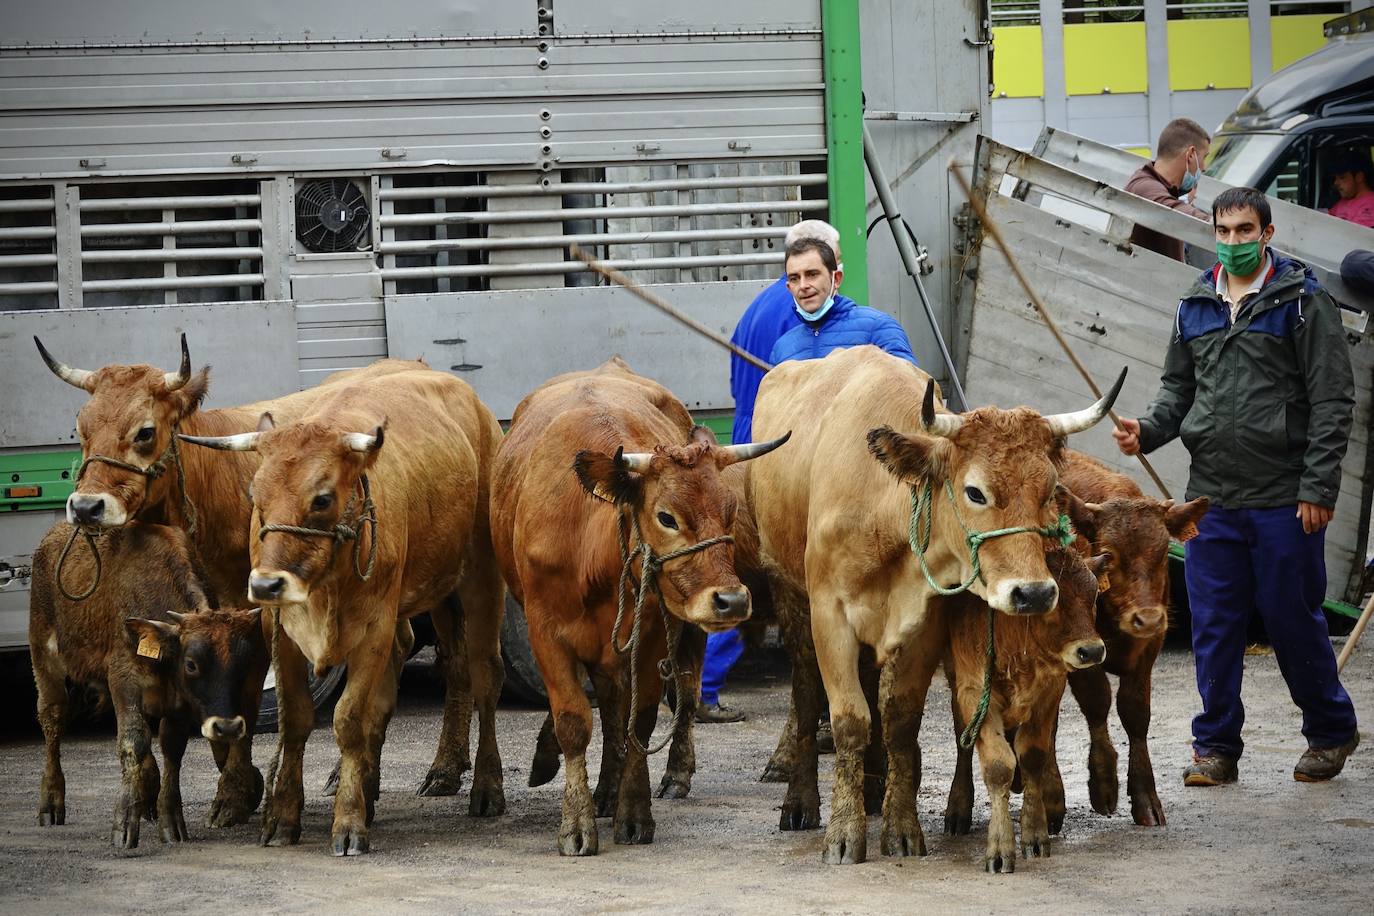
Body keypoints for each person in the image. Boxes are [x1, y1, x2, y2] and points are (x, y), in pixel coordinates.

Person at [1113, 186, 1360, 787]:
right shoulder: (1193, 305)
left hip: (1283, 498)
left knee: (1290, 618)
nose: (1232, 243)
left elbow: (1332, 400)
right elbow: (1178, 393)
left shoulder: (1302, 304)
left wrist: (1318, 488)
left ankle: (1330, 733)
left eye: (1244, 231)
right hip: (1211, 499)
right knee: (1214, 624)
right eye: (1223, 232)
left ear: (1266, 234)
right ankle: (1216, 747)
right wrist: (1144, 432)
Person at [699, 224, 918, 724]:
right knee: (798, 605)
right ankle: (814, 715)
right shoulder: (785, 347)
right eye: (794, 277)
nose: (804, 285)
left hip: (863, 503)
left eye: (813, 274)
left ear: (835, 276)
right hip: (801, 501)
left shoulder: (878, 330)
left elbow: (906, 406)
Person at [1125, 118, 1212, 261]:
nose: (1204, 168)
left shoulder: (1155, 185)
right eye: (1204, 157)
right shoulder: (1144, 186)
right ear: (1190, 155)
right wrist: (1217, 223)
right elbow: (1170, 208)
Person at [1327, 152, 1374, 228]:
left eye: (1342, 177)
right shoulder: (1342, 201)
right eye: (1335, 178)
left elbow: (1358, 235)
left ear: (1359, 177)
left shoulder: (1371, 204)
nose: (1336, 183)